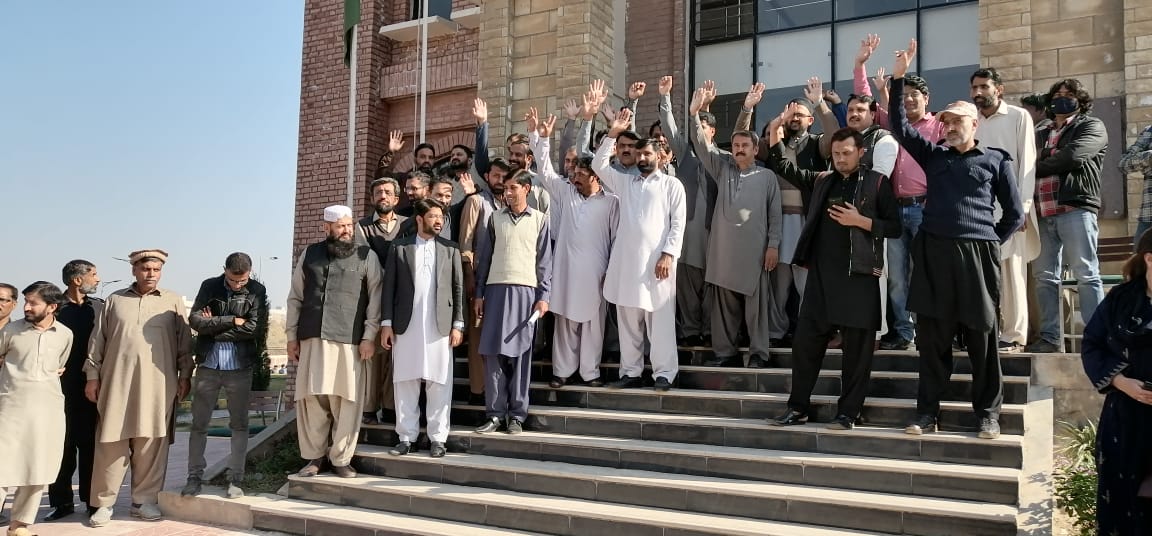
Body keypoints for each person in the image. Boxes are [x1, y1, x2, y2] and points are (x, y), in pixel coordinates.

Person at [887, 41, 1024, 440]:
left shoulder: (996, 160)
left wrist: (988, 241)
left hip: (977, 255)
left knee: (982, 339)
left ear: (973, 125)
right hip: (933, 255)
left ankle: (988, 415)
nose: (948, 127)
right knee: (932, 341)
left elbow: (1014, 214)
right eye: (944, 122)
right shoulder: (933, 156)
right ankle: (927, 413)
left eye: (956, 121)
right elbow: (900, 126)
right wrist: (898, 80)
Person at [767, 117, 900, 430]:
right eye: (836, 154)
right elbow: (785, 168)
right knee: (805, 345)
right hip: (822, 280)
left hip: (860, 278)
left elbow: (896, 227)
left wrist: (862, 221)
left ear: (860, 152)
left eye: (846, 153)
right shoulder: (822, 180)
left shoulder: (878, 183)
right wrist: (775, 132)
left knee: (857, 354)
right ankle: (797, 408)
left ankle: (847, 413)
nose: (840, 158)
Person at [85, 249, 193, 526]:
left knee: (151, 443)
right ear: (134, 270)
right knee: (111, 443)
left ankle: (144, 501)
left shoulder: (172, 301)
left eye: (156, 270)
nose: (151, 275)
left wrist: (185, 375)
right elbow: (97, 342)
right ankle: (104, 504)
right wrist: (92, 376)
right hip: (116, 382)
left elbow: (184, 344)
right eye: (146, 269)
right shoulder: (115, 300)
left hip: (159, 384)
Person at [594, 108, 686, 391]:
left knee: (659, 321)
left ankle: (664, 374)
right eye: (639, 154)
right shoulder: (626, 181)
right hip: (627, 264)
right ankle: (631, 372)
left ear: (659, 157)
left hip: (658, 264)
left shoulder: (672, 185)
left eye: (648, 154)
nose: (643, 158)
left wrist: (669, 254)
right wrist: (612, 133)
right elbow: (598, 165)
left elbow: (678, 223)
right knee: (629, 320)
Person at [691, 84, 782, 369]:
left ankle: (758, 354)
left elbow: (775, 215)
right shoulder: (723, 169)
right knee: (723, 309)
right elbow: (702, 145)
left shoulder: (767, 177)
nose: (740, 150)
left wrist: (773, 246)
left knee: (757, 311)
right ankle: (725, 353)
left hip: (755, 254)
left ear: (756, 149)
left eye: (745, 146)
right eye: (736, 146)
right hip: (724, 253)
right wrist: (695, 114)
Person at [287, 205, 383, 478]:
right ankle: (315, 458)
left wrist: (369, 337)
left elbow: (375, 301)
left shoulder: (367, 256)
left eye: (349, 225)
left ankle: (341, 458)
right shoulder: (310, 254)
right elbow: (295, 297)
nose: (347, 231)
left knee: (347, 401)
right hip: (313, 338)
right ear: (326, 228)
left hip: (350, 342)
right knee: (312, 399)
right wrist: (291, 336)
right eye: (341, 226)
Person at [528, 109, 619, 388]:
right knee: (565, 323)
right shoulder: (565, 192)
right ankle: (562, 372)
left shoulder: (611, 202)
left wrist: (611, 271)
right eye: (575, 172)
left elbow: (616, 240)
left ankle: (590, 373)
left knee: (593, 324)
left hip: (596, 272)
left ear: (596, 176)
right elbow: (544, 170)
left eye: (582, 173)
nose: (575, 177)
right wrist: (541, 139)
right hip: (565, 269)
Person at [1026, 78, 1108, 354]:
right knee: (1045, 277)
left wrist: (1041, 161)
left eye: (1069, 94)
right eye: (1057, 94)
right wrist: (1049, 155)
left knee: (1087, 274)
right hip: (1041, 211)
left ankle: (1097, 339)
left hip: (1075, 209)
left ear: (1080, 99)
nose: (1062, 98)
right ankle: (1050, 338)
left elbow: (1072, 157)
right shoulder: (1040, 130)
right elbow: (1024, 160)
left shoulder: (1091, 126)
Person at [1080, 229, 1152, 533]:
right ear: (1149, 258)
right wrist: (1121, 382)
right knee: (1120, 506)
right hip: (1123, 421)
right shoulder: (1121, 300)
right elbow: (1091, 344)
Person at [380, 199, 465, 458]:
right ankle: (406, 437)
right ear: (419, 218)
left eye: (441, 217)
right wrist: (386, 324)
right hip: (405, 325)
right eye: (433, 216)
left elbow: (458, 288)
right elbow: (389, 289)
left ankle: (438, 438)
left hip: (440, 326)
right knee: (405, 380)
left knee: (439, 382)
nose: (438, 221)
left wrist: (458, 324)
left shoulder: (450, 249)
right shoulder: (400, 248)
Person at [182, 253, 269, 499]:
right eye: (233, 280)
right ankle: (193, 477)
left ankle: (235, 479)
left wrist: (215, 329)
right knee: (199, 425)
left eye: (242, 281)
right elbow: (196, 321)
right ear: (225, 271)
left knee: (239, 425)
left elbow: (253, 329)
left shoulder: (257, 291)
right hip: (209, 366)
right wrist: (232, 320)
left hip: (239, 368)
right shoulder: (209, 286)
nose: (238, 285)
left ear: (249, 273)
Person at [472, 170, 552, 434]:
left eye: (512, 188)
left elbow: (544, 264)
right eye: (505, 188)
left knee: (520, 354)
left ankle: (517, 415)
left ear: (526, 189)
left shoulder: (540, 220)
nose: (507, 193)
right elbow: (483, 260)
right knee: (492, 353)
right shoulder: (494, 219)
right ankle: (495, 413)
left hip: (526, 293)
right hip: (495, 291)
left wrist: (544, 297)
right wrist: (480, 294)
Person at [970, 68, 1039, 354]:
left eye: (984, 86)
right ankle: (989, 332)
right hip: (980, 211)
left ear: (999, 89)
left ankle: (1014, 336)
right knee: (983, 273)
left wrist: (1021, 208)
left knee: (1013, 273)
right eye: (974, 87)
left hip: (1011, 210)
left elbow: (1028, 164)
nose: (978, 92)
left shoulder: (1018, 116)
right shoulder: (972, 121)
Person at [0, 282, 73, 536]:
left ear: (52, 306)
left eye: (33, 303)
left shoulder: (65, 335)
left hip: (48, 412)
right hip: (9, 409)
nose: (27, 307)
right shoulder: (11, 331)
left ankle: (19, 526)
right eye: (26, 301)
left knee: (37, 468)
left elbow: (59, 366)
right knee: (1, 468)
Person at [657, 76, 717, 349]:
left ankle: (709, 330)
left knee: (712, 285)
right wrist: (666, 97)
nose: (698, 131)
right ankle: (691, 330)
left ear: (712, 131)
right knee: (688, 285)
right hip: (689, 232)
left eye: (703, 127)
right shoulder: (685, 155)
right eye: (696, 127)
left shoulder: (723, 158)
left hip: (715, 233)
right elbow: (670, 129)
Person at [44, 261, 102, 521]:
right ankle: (61, 502)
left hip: (92, 386)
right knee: (61, 447)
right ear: (77, 280)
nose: (98, 279)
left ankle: (93, 501)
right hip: (58, 388)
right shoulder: (54, 308)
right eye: (93, 274)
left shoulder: (99, 308)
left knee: (91, 446)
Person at [357, 176, 408, 425]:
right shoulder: (363, 227)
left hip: (402, 300)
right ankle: (369, 408)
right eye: (378, 193)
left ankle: (390, 407)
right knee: (375, 356)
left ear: (396, 199)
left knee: (395, 355)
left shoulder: (408, 225)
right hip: (374, 298)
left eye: (387, 192)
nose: (383, 196)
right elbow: (365, 261)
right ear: (372, 198)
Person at [1119, 123, 1152, 248]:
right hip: (1149, 218)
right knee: (1140, 266)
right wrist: (1149, 158)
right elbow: (1124, 163)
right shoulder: (1150, 131)